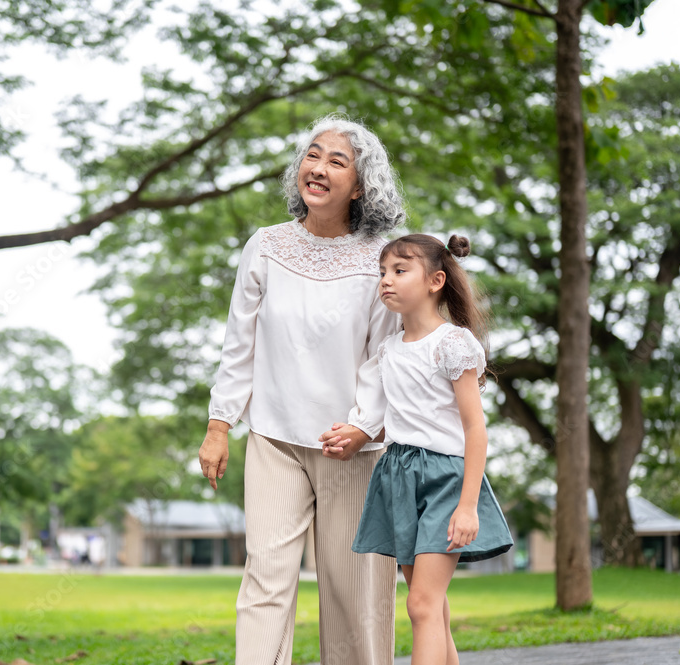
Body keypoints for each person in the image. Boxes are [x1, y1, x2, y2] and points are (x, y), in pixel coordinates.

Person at [199, 114, 405, 665]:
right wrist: (220, 424)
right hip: (273, 437)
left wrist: (364, 425)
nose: (317, 168)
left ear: (360, 187)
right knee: (265, 579)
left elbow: (386, 354)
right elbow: (238, 343)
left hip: (352, 446)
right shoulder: (265, 246)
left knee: (354, 591)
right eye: (313, 155)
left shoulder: (382, 259)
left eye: (337, 161)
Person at [320, 233, 513, 665]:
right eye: (383, 272)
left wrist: (468, 507)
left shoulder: (452, 344)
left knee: (421, 606)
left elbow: (474, 429)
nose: (386, 280)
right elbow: (387, 418)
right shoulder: (389, 350)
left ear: (435, 280)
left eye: (400, 270)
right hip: (398, 475)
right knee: (432, 607)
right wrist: (354, 434)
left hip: (445, 479)